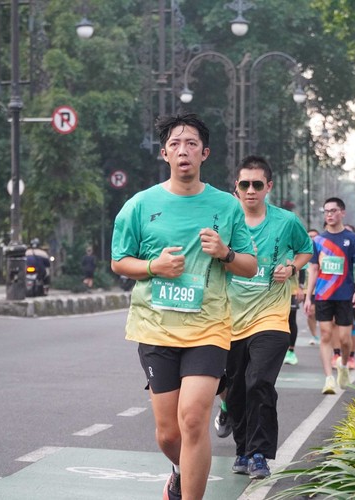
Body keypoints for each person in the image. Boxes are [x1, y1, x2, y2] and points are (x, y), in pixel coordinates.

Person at [110, 113, 257, 500]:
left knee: (193, 419)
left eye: (191, 143)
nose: (183, 150)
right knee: (168, 433)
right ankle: (178, 470)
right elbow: (119, 261)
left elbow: (250, 265)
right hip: (155, 327)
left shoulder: (226, 206)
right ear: (164, 154)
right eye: (175, 144)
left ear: (204, 153)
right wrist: (153, 267)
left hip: (208, 328)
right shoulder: (140, 205)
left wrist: (225, 253)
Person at [225, 155, 312, 480]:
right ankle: (242, 448)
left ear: (268, 187)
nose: (251, 190)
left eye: (257, 184)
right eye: (245, 184)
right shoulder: (226, 221)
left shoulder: (286, 221)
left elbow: (306, 249)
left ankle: (259, 453)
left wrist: (291, 267)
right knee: (235, 390)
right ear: (236, 186)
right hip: (230, 320)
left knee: (259, 382)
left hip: (271, 318)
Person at [304, 198, 355, 395]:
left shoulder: (352, 239)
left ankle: (344, 365)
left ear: (342, 213)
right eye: (326, 211)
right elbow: (313, 269)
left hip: (345, 295)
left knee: (345, 340)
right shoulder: (318, 241)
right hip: (323, 295)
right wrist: (308, 296)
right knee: (326, 335)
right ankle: (329, 379)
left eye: (333, 211)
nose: (329, 214)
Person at [305, 229, 320, 345]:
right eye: (310, 236)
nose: (312, 239)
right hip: (308, 289)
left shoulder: (323, 250)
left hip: (322, 288)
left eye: (315, 236)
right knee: (310, 313)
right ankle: (314, 336)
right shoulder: (303, 251)